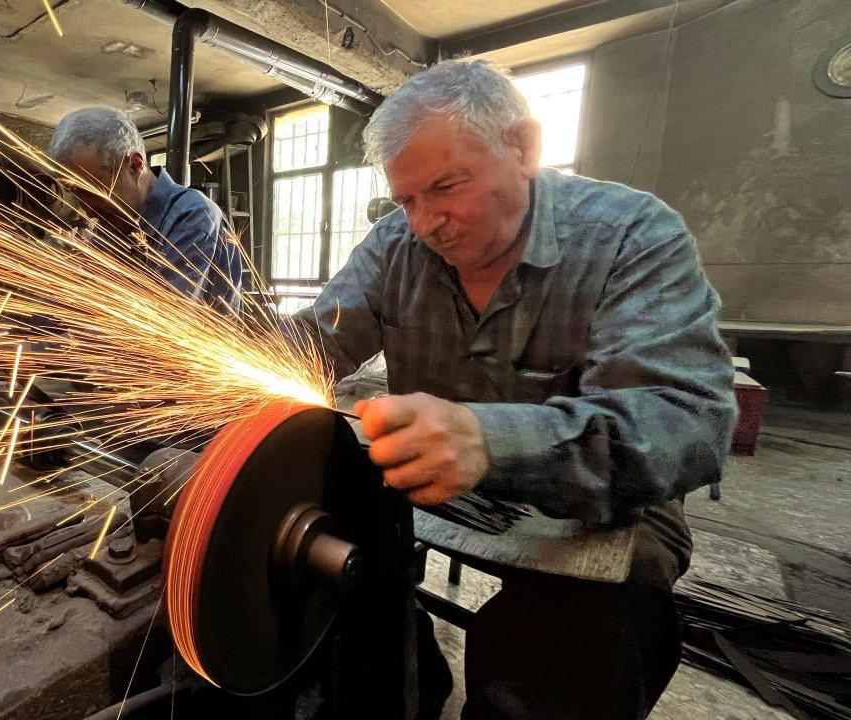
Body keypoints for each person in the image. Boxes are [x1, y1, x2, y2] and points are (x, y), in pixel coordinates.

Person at [285, 59, 737, 719]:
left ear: (523, 147)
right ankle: (398, 685)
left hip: (604, 502)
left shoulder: (630, 235)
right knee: (317, 514)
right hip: (430, 475)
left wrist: (493, 441)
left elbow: (681, 428)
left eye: (446, 186)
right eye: (407, 199)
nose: (424, 223)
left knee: (600, 599)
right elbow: (316, 345)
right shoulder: (395, 247)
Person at [47, 107, 243, 314]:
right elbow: (74, 303)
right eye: (77, 193)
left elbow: (161, 324)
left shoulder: (193, 215)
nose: (87, 209)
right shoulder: (110, 227)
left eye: (95, 190)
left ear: (135, 165)